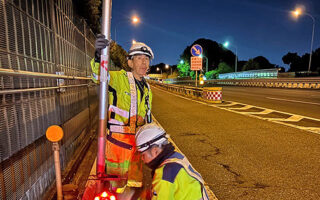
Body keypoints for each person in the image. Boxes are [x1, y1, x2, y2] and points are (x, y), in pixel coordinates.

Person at [91, 34, 153, 191]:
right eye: (139, 58)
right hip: (118, 145)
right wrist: (99, 57)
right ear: (130, 62)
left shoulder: (147, 88)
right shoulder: (120, 78)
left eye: (146, 59)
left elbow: (147, 116)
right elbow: (99, 76)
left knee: (135, 186)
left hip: (137, 146)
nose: (144, 62)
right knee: (115, 186)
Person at [135, 123, 210, 200]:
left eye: (143, 155)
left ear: (155, 151)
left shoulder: (164, 174)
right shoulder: (176, 157)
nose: (142, 159)